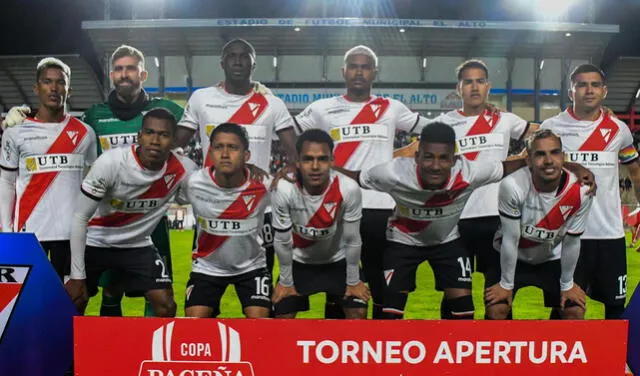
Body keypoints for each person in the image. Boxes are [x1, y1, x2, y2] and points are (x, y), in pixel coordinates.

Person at [334, 122, 594, 320]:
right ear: (417, 156)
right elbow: (354, 177)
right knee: (390, 313)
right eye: (428, 157)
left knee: (463, 313)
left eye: (444, 158)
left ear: (455, 158)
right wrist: (319, 169)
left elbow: (520, 163)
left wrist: (573, 168)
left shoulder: (470, 172)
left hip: (447, 242)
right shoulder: (392, 173)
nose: (435, 166)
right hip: (403, 242)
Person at [1, 45, 186, 317]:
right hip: (101, 219)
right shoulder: (93, 119)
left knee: (157, 293)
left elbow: (209, 125)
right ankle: (79, 354)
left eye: (131, 68)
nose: (125, 75)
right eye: (119, 69)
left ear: (143, 74)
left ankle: (144, 353)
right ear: (112, 75)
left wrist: (256, 91)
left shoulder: (167, 111)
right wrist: (24, 112)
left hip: (148, 216)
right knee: (102, 291)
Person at [294, 45, 429, 319]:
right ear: (343, 71)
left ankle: (375, 352)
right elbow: (285, 132)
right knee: (339, 285)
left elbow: (436, 130)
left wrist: (470, 113)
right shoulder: (322, 109)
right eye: (353, 66)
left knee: (381, 285)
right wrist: (261, 95)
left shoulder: (391, 108)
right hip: (338, 209)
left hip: (382, 209)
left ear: (374, 73)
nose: (359, 71)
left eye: (365, 66)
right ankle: (338, 352)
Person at [176, 38, 298, 283]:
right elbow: (176, 143)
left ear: (254, 63)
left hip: (257, 205)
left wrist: (289, 170)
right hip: (211, 204)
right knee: (206, 279)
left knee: (260, 279)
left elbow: (295, 150)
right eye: (232, 56)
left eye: (245, 56)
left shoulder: (272, 104)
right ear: (222, 63)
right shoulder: (201, 98)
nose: (238, 61)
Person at [65, 108, 196, 315]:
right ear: (139, 136)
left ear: (173, 141)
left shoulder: (183, 170)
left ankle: (153, 347)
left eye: (163, 135)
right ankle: (69, 347)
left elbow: (213, 191)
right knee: (74, 299)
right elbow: (80, 217)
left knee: (166, 304)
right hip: (96, 241)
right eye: (150, 133)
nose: (155, 140)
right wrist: (77, 275)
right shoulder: (111, 163)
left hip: (138, 245)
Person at [541, 63, 640, 319]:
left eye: (595, 85)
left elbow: (636, 173)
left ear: (604, 91)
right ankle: (563, 360)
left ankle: (611, 361)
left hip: (609, 236)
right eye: (581, 84)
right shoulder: (552, 127)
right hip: (565, 236)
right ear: (571, 91)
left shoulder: (619, 130)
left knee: (616, 312)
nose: (589, 90)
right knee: (568, 310)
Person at [425, 60, 540, 279]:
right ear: (458, 88)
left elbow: (543, 136)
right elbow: (418, 156)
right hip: (455, 217)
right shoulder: (443, 124)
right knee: (455, 295)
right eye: (468, 82)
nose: (475, 87)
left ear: (488, 86)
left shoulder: (505, 120)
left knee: (499, 296)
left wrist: (596, 114)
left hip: (499, 216)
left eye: (480, 81)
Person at [0, 57, 97, 281]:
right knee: (29, 303)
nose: (54, 88)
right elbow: (6, 182)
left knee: (68, 302)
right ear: (36, 88)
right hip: (29, 232)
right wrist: (6, 231)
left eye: (60, 82)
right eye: (47, 82)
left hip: (71, 234)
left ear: (69, 90)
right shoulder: (15, 132)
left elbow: (92, 178)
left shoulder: (86, 133)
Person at [484, 129, 592, 320]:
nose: (549, 160)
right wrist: (506, 284)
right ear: (529, 161)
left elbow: (572, 242)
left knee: (574, 310)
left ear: (563, 156)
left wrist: (567, 285)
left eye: (554, 152)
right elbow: (511, 238)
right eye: (540, 154)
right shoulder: (513, 186)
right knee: (496, 309)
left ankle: (556, 346)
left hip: (552, 259)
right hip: (511, 257)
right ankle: (505, 347)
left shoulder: (581, 191)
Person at [271, 129, 369, 319]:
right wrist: (285, 282)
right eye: (308, 159)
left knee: (358, 312)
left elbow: (352, 240)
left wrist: (353, 280)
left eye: (322, 159)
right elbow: (282, 241)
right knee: (282, 315)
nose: (315, 166)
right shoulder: (284, 189)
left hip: (337, 262)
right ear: (297, 162)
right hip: (299, 263)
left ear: (332, 161)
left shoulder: (348, 188)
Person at [182, 123, 272, 318]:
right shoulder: (193, 183)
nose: (225, 153)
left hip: (252, 266)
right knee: (192, 324)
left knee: (261, 324)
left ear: (246, 155)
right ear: (210, 152)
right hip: (207, 267)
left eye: (233, 147)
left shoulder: (265, 184)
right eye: (218, 147)